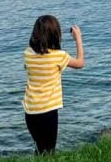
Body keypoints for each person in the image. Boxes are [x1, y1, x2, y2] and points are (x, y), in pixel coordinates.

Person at [23, 15, 84, 154]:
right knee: (49, 150)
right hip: (48, 111)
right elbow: (80, 63)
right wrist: (78, 39)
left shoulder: (27, 53)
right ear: (56, 35)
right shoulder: (59, 56)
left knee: (40, 146)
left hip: (30, 111)